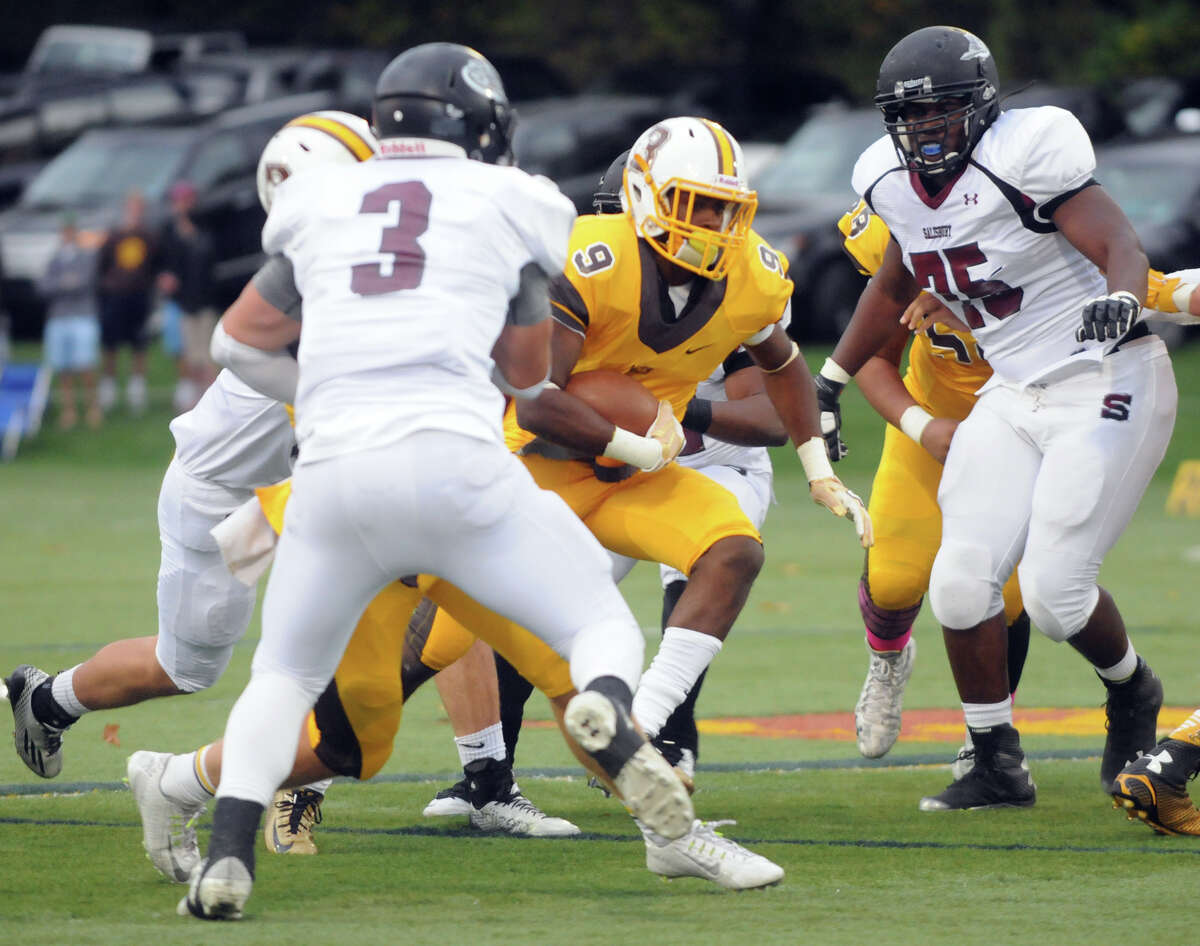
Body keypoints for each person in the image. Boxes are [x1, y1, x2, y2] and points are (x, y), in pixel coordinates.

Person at [184, 43, 695, 921]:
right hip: (454, 458)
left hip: (335, 471)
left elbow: (235, 344)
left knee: (283, 675)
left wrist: (326, 394)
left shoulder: (321, 196)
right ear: (480, 126)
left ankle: (227, 856)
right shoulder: (517, 200)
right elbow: (530, 378)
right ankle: (608, 713)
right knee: (597, 618)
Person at [812, 26, 1175, 811]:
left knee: (1051, 595)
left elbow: (1115, 235)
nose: (923, 131)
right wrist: (835, 376)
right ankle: (995, 760)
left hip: (1103, 374)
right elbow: (894, 276)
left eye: (940, 113)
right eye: (908, 118)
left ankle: (1132, 693)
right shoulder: (889, 182)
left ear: (979, 109)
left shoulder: (1028, 151)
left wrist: (1120, 291)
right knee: (959, 585)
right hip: (1010, 392)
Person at [4, 112, 380, 867]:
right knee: (189, 668)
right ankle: (47, 700)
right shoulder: (304, 287)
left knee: (364, 624)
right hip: (225, 500)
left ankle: (296, 791)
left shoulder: (359, 270)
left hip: (297, 489)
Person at [95, 190, 160, 415]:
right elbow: (101, 265)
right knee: (110, 344)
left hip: (139, 296)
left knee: (139, 343)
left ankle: (137, 390)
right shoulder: (114, 236)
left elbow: (156, 266)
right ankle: (108, 389)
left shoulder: (149, 237)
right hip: (115, 297)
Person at [158, 180, 218, 413]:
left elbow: (208, 257)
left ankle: (212, 397)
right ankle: (197, 399)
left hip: (204, 300)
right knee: (191, 355)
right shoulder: (169, 231)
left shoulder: (203, 226)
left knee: (206, 353)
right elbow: (167, 263)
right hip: (184, 302)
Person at [38, 214, 102, 429]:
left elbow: (85, 281)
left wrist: (63, 284)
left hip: (82, 315)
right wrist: (66, 283)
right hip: (59, 317)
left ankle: (93, 407)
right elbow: (44, 286)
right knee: (63, 368)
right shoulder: (55, 258)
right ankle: (69, 409)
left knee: (86, 364)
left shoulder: (86, 256)